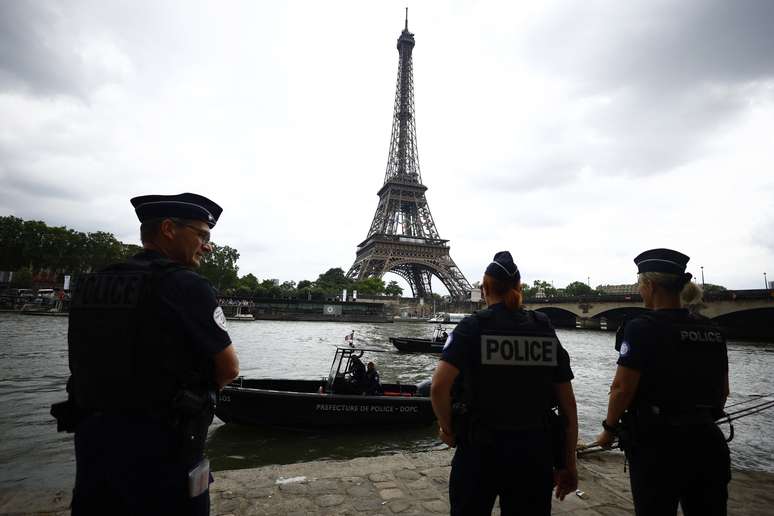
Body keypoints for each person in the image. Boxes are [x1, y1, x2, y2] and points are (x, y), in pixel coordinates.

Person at [51, 193, 240, 516]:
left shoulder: (93, 283)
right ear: (169, 229)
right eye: (202, 235)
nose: (207, 246)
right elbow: (229, 369)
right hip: (163, 447)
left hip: (95, 442)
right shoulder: (186, 286)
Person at [430, 251, 578, 515]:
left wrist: (448, 428)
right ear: (519, 287)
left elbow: (439, 387)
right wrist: (568, 464)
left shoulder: (472, 327)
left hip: (480, 450)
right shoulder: (543, 328)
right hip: (533, 452)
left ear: (485, 289)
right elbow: (568, 406)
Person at [595, 248, 730, 516]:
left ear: (651, 285)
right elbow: (723, 392)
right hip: (707, 444)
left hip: (658, 448)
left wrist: (608, 430)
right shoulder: (712, 330)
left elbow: (622, 389)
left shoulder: (642, 327)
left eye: (639, 284)